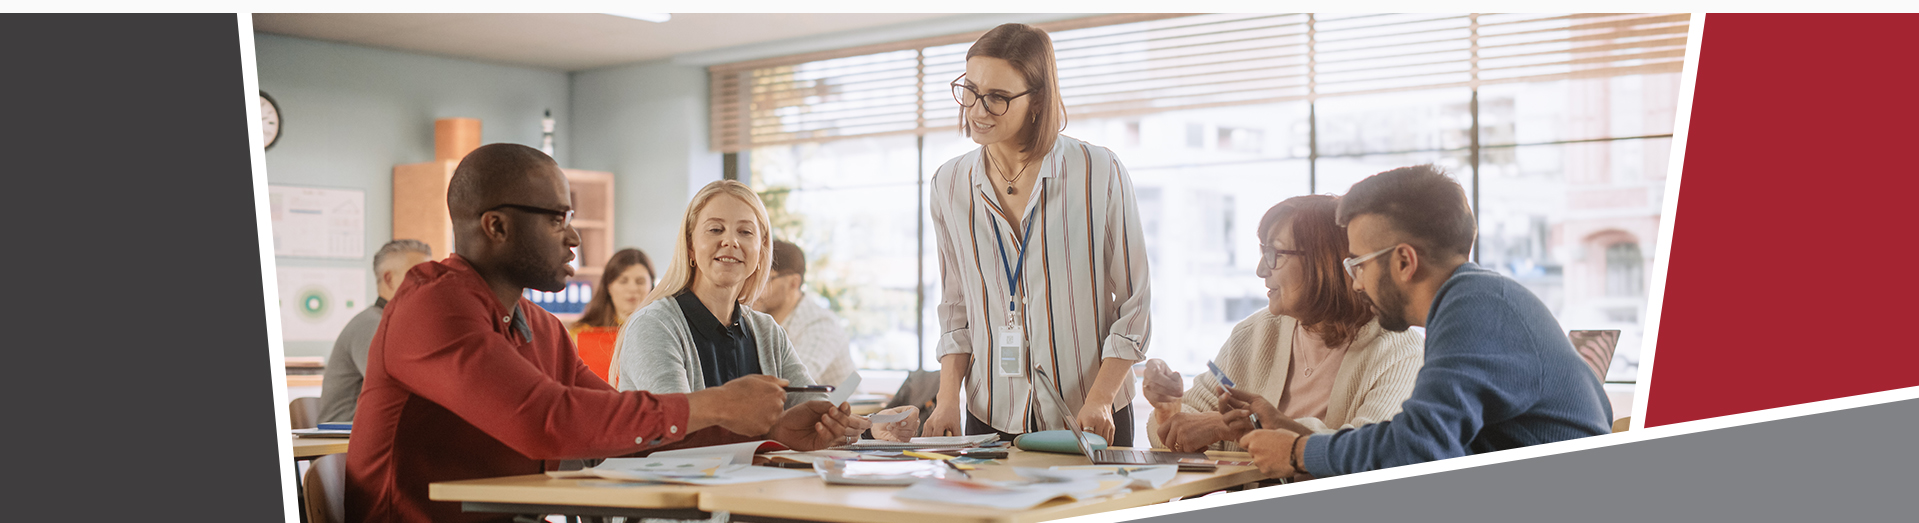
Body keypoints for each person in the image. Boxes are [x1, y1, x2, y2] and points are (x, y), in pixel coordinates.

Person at [345, 144, 840, 523]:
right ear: (495, 226)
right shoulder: (433, 306)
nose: (575, 237)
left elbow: (623, 433)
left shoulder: (537, 324)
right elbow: (544, 419)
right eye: (557, 219)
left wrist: (769, 434)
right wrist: (720, 404)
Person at [1236, 165, 1612, 479]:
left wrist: (1298, 452)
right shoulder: (1481, 299)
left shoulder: (1475, 308)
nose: (1355, 283)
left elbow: (1421, 449)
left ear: (1404, 261)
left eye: (1358, 263)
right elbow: (1418, 436)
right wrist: (1294, 434)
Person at [922, 23, 1152, 447]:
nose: (976, 109)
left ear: (1038, 101)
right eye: (969, 90)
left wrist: (1101, 398)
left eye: (997, 97)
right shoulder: (948, 184)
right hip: (990, 415)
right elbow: (956, 306)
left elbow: (1136, 305)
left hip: (1089, 415)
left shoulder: (1097, 171)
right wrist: (946, 399)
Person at [1139, 195, 1424, 459]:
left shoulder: (1399, 351)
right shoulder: (1257, 332)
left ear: (1323, 262)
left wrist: (1241, 428)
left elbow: (1369, 453)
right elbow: (1190, 427)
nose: (1261, 269)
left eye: (1275, 253)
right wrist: (1168, 410)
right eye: (1263, 252)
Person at [612, 180, 893, 446]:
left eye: (745, 232)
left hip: (753, 489)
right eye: (715, 230)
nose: (731, 241)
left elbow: (816, 416)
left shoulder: (767, 332)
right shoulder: (654, 326)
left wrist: (871, 426)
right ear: (690, 247)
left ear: (760, 252)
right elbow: (678, 433)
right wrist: (775, 432)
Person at [317, 239, 432, 423]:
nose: (429, 285)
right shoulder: (372, 325)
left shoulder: (396, 325)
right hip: (344, 442)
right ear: (389, 279)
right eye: (419, 276)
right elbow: (399, 388)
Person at [752, 239, 856, 387]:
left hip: (848, 409)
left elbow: (791, 386)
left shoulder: (821, 325)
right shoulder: (761, 323)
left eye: (766, 279)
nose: (755, 288)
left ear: (793, 283)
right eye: (753, 278)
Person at [568, 248, 656, 383]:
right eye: (623, 281)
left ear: (651, 286)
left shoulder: (661, 332)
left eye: (640, 282)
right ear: (609, 286)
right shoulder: (580, 334)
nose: (632, 289)